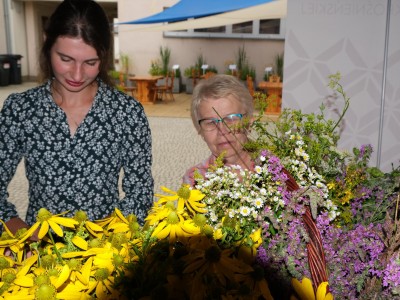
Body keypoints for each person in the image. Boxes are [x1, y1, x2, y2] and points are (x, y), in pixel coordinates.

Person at [0, 0, 154, 233]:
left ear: (104, 56)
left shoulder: (127, 113)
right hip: (40, 257)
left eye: (90, 62)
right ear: (47, 44)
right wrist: (18, 231)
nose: (77, 74)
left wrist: (107, 243)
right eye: (66, 59)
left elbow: (140, 193)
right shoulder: (21, 110)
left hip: (105, 255)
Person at [182, 74, 254, 186]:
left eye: (230, 118)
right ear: (200, 131)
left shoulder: (275, 168)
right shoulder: (195, 181)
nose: (222, 130)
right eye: (210, 122)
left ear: (249, 122)